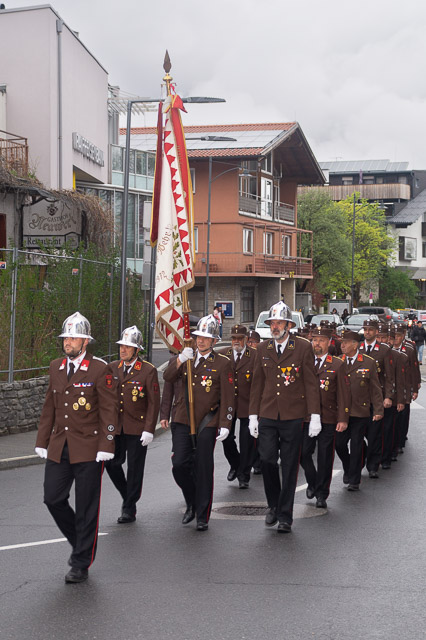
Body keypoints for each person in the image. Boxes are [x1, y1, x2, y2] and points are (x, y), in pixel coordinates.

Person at [35, 312, 117, 584]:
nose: (67, 342)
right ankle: (81, 541)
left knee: (85, 507)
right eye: (65, 338)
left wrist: (107, 443)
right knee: (53, 498)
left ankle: (81, 562)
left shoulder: (99, 369)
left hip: (90, 448)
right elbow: (50, 406)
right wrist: (42, 441)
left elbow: (109, 410)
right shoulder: (56, 367)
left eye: (72, 338)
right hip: (60, 445)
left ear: (85, 342)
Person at [249, 301, 321, 533]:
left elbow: (311, 383)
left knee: (289, 466)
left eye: (279, 323)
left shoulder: (302, 347)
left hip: (293, 415)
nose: (275, 327)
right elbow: (257, 384)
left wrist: (315, 415)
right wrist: (253, 416)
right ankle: (273, 504)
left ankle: (285, 516)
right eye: (272, 323)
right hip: (268, 413)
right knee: (267, 460)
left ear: (289, 325)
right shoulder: (263, 349)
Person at [163, 314, 234, 531]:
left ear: (214, 341)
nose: (200, 341)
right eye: (198, 337)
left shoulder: (222, 363)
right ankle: (191, 500)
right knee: (179, 465)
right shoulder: (186, 358)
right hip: (183, 419)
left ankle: (202, 514)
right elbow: (167, 377)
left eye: (205, 337)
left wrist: (226, 423)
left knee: (203, 468)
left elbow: (228, 396)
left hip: (207, 421)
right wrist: (179, 360)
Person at [105, 326, 160, 524]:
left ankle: (129, 508)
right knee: (111, 463)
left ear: (137, 350)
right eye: (122, 346)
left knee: (135, 469)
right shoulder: (112, 368)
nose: (123, 350)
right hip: (116, 427)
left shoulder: (147, 370)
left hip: (137, 426)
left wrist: (149, 429)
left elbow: (153, 402)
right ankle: (128, 495)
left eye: (128, 347)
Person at [300, 326, 350, 509]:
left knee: (325, 457)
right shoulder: (305, 362)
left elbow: (343, 394)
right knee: (302, 453)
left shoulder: (337, 364)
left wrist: (343, 418)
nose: (317, 344)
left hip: (328, 418)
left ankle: (322, 493)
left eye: (321, 340)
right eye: (314, 340)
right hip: (306, 417)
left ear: (329, 343)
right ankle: (312, 480)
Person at [335, 330, 383, 491]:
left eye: (345, 343)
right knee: (339, 444)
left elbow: (375, 389)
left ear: (355, 345)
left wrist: (378, 410)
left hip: (359, 412)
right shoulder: (337, 362)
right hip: (341, 413)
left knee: (355, 446)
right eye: (341, 343)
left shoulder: (368, 362)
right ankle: (348, 466)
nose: (342, 345)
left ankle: (354, 480)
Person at [218, 325, 258, 489]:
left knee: (247, 441)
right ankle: (235, 463)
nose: (236, 341)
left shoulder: (254, 355)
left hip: (247, 404)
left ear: (246, 339)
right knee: (226, 438)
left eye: (240, 338)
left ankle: (244, 475)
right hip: (228, 405)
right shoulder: (223, 355)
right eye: (234, 338)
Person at [359, 319, 394, 479]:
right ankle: (361, 458)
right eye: (365, 329)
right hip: (359, 399)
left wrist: (388, 396)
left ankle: (373, 465)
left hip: (376, 397)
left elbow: (388, 376)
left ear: (376, 332)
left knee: (374, 434)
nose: (367, 332)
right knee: (358, 434)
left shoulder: (384, 350)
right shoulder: (358, 347)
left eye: (370, 330)